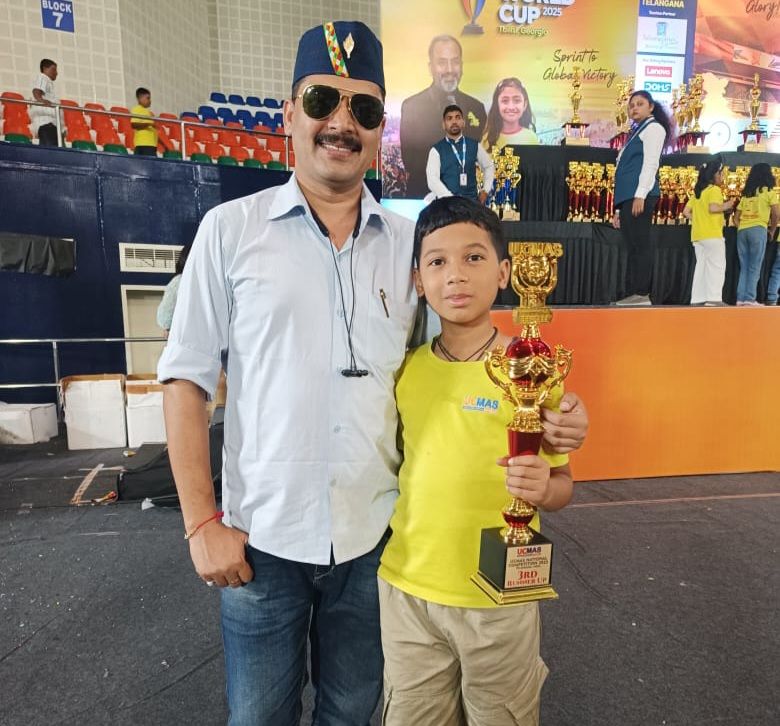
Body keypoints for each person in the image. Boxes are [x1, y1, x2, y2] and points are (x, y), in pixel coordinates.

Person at [158, 20, 588, 725]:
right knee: (258, 717)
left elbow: (465, 354)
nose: (341, 122)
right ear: (289, 113)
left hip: (375, 547)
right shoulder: (230, 231)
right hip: (260, 540)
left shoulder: (410, 248)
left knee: (355, 715)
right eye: (321, 101)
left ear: (379, 126)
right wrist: (200, 521)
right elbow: (185, 381)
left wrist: (549, 407)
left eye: (362, 108)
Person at [379, 196, 574, 725]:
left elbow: (562, 485)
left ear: (504, 272)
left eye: (473, 257)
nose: (456, 275)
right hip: (408, 587)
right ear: (419, 281)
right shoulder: (404, 370)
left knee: (501, 715)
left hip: (499, 597)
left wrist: (543, 488)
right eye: (437, 262)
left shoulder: (533, 371)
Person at [400, 35, 487, 198]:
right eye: (442, 62)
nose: (449, 69)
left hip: (465, 202)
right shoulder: (412, 107)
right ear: (430, 68)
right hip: (424, 200)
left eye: (455, 62)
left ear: (462, 66)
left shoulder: (477, 108)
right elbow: (411, 163)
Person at [612, 90, 671, 306]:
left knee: (640, 244)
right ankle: (633, 293)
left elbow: (651, 163)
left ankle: (642, 293)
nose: (634, 108)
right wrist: (618, 209)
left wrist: (640, 195)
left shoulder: (654, 128)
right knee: (632, 246)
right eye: (631, 105)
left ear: (651, 107)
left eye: (640, 104)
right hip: (628, 197)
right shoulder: (637, 131)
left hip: (639, 196)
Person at [682, 159, 734, 306]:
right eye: (721, 174)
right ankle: (714, 299)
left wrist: (699, 220)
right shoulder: (714, 190)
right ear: (714, 175)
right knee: (717, 267)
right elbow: (713, 208)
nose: (722, 177)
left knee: (701, 268)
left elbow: (686, 212)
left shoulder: (698, 193)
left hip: (697, 236)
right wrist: (727, 205)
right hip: (712, 235)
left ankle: (698, 299)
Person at [426, 104, 494, 203]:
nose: (454, 121)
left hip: (471, 204)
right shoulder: (436, 150)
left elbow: (489, 166)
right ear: (444, 125)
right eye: (449, 118)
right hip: (446, 205)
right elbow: (432, 179)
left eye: (457, 117)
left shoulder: (475, 145)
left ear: (463, 123)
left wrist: (486, 190)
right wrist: (450, 198)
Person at [734, 163, 779, 306]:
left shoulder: (747, 194)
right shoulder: (769, 192)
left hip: (742, 231)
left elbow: (736, 218)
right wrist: (772, 230)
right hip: (758, 229)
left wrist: (741, 227)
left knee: (744, 266)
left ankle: (740, 299)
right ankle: (750, 298)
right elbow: (776, 213)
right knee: (754, 266)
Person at [483, 77, 539, 152]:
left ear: (525, 105)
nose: (511, 107)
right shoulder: (485, 139)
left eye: (517, 100)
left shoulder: (531, 138)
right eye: (505, 101)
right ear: (497, 105)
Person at [156, 246, 189, 336]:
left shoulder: (179, 282)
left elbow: (165, 319)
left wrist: (167, 328)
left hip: (183, 337)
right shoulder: (209, 281)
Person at [31, 59, 59, 147]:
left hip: (51, 124)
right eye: (54, 69)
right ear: (45, 68)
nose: (56, 73)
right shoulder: (43, 77)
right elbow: (36, 91)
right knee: (50, 151)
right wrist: (41, 100)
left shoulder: (48, 82)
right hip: (46, 123)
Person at [131, 87, 158, 156]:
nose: (150, 101)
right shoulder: (137, 109)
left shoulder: (148, 112)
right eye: (148, 98)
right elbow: (134, 124)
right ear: (140, 99)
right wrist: (149, 124)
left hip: (151, 145)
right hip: (144, 144)